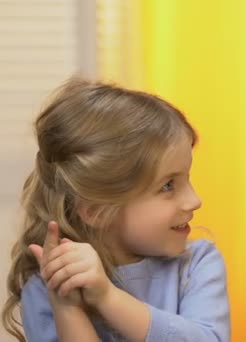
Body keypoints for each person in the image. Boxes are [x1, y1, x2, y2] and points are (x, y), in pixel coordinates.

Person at [1, 79, 230, 341]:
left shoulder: (197, 264)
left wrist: (107, 298)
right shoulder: (48, 287)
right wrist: (69, 308)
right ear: (97, 211)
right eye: (168, 185)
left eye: (187, 178)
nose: (194, 200)